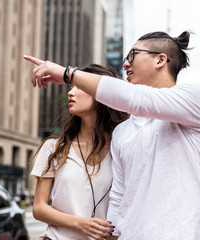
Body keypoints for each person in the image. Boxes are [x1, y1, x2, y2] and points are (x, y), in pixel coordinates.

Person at [24, 30, 200, 239]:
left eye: (132, 56)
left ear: (160, 60)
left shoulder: (197, 99)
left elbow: (138, 99)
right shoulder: (123, 132)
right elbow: (118, 197)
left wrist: (68, 73)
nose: (126, 64)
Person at [30, 64, 129, 240]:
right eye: (71, 87)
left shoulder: (122, 149)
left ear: (101, 95)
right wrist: (81, 223)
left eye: (79, 87)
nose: (70, 93)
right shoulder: (54, 147)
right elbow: (39, 208)